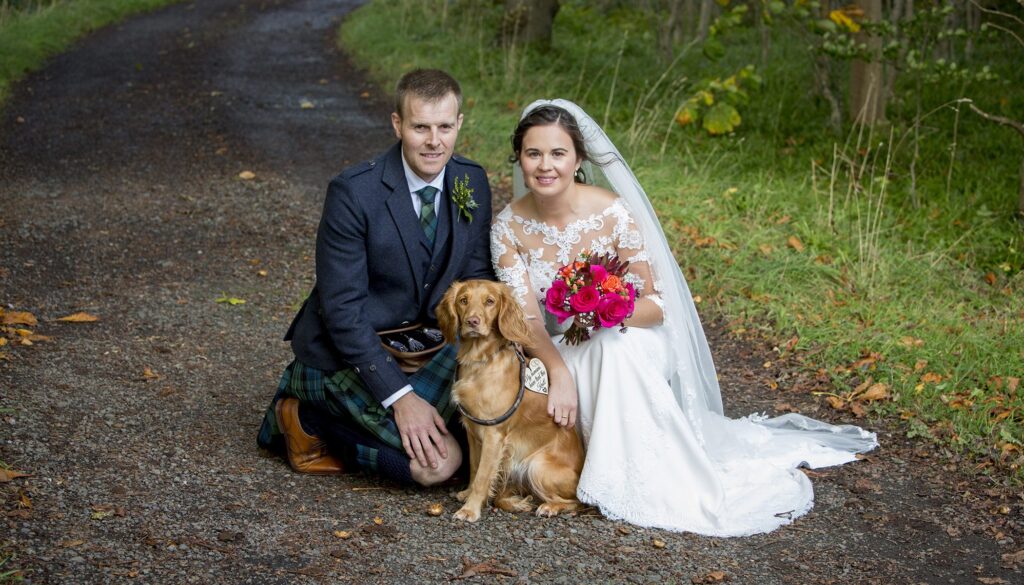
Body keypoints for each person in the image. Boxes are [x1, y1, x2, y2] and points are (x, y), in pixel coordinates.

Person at [490, 99, 878, 536]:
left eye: (558, 153)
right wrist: (557, 371)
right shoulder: (507, 227)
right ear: (519, 158)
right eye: (533, 153)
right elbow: (527, 322)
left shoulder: (613, 211)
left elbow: (658, 306)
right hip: (566, 350)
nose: (546, 166)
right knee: (602, 350)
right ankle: (604, 479)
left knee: (615, 347)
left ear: (578, 158)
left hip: (633, 336)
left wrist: (604, 312)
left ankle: (635, 484)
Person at [257, 69, 494, 486]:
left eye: (444, 127)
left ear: (459, 124)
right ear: (398, 124)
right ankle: (305, 417)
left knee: (488, 438)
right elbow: (342, 310)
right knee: (437, 466)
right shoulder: (354, 192)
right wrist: (401, 398)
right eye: (420, 127)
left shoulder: (470, 179)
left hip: (426, 345)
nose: (434, 141)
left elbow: (477, 275)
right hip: (347, 353)